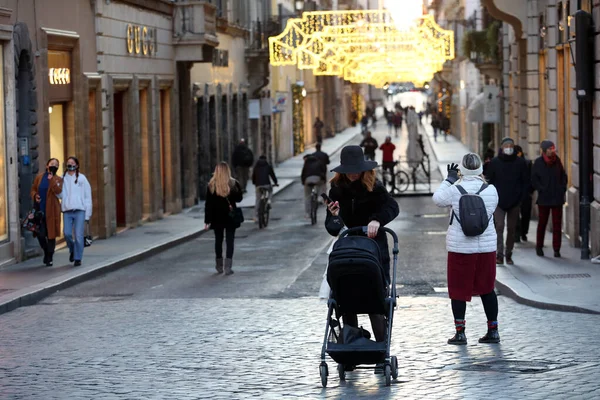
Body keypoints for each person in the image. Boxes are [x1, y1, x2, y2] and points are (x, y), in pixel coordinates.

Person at [325, 145, 399, 342]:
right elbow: (333, 229)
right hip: (350, 250)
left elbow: (393, 207)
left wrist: (377, 220)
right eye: (349, 170)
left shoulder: (374, 187)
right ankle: (351, 346)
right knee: (347, 301)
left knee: (375, 302)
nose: (353, 174)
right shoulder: (336, 191)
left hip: (374, 250)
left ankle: (381, 350)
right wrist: (334, 217)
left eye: (356, 169)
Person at [432, 154, 500, 345]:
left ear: (462, 169)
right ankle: (493, 330)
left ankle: (460, 332)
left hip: (460, 247)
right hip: (486, 247)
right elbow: (491, 210)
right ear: (480, 169)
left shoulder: (454, 190)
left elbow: (437, 199)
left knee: (458, 289)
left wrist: (449, 179)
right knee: (487, 288)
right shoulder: (491, 190)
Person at [485, 137, 530, 265]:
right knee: (499, 227)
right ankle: (499, 254)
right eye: (506, 146)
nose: (509, 148)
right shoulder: (495, 162)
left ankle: (508, 253)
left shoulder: (520, 163)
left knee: (511, 228)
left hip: (514, 202)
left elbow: (525, 181)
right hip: (498, 202)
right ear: (502, 148)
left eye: (511, 145)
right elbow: (489, 181)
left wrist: (521, 198)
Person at [204, 162, 243, 275]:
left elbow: (208, 205)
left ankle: (219, 265)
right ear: (227, 171)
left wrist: (207, 220)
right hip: (230, 217)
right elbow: (239, 199)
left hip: (217, 217)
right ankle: (228, 267)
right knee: (230, 241)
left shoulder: (211, 185)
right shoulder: (233, 183)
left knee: (218, 240)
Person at [532, 140, 568, 258]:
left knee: (557, 225)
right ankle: (539, 246)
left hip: (557, 198)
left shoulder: (557, 161)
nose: (553, 150)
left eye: (553, 148)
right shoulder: (538, 162)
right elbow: (534, 179)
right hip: (544, 198)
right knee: (542, 223)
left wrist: (562, 188)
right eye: (550, 149)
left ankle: (556, 249)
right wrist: (541, 189)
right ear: (544, 150)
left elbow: (563, 176)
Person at [30, 158, 63, 266]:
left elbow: (58, 191)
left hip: (52, 210)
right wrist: (36, 195)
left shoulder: (58, 179)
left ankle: (50, 257)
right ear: (47, 165)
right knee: (40, 233)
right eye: (52, 164)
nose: (54, 166)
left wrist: (51, 179)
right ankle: (46, 251)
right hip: (40, 210)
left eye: (56, 165)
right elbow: (33, 189)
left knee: (51, 234)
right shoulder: (39, 177)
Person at [61, 156, 92, 267]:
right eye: (68, 163)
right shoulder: (62, 178)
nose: (70, 165)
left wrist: (87, 214)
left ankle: (78, 258)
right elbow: (60, 194)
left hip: (80, 210)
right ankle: (72, 249)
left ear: (77, 165)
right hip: (67, 210)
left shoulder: (82, 178)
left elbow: (88, 196)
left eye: (72, 163)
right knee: (67, 233)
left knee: (79, 236)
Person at [514, 145, 533, 243]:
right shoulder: (511, 164)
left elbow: (532, 178)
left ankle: (524, 232)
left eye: (518, 153)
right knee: (515, 216)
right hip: (515, 194)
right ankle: (516, 235)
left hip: (526, 194)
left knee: (526, 215)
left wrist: (530, 191)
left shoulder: (528, 163)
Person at [252, 155, 278, 221]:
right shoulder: (268, 166)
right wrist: (275, 182)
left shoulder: (256, 167)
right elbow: (272, 175)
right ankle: (269, 201)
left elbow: (253, 177)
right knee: (270, 191)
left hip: (258, 185)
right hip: (267, 184)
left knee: (258, 199)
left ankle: (255, 216)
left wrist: (255, 183)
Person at [301, 154, 326, 219]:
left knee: (307, 196)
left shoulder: (306, 164)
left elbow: (303, 174)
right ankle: (319, 198)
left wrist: (303, 182)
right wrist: (324, 180)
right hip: (318, 179)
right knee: (321, 185)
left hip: (308, 180)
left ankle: (307, 214)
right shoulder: (319, 162)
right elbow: (323, 172)